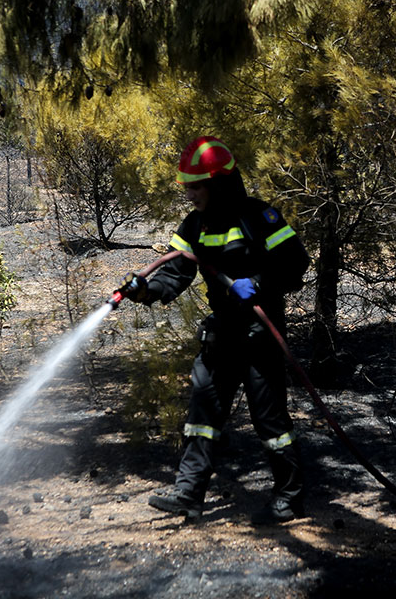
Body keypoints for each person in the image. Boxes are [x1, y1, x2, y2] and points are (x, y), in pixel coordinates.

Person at [123, 136, 311, 523]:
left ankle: (289, 497)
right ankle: (189, 494)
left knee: (270, 422)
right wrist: (144, 290)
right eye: (187, 186)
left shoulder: (261, 218)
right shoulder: (194, 226)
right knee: (203, 412)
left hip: (261, 333)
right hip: (223, 333)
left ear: (218, 183)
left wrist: (257, 282)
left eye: (196, 186)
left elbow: (295, 264)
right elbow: (174, 274)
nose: (189, 194)